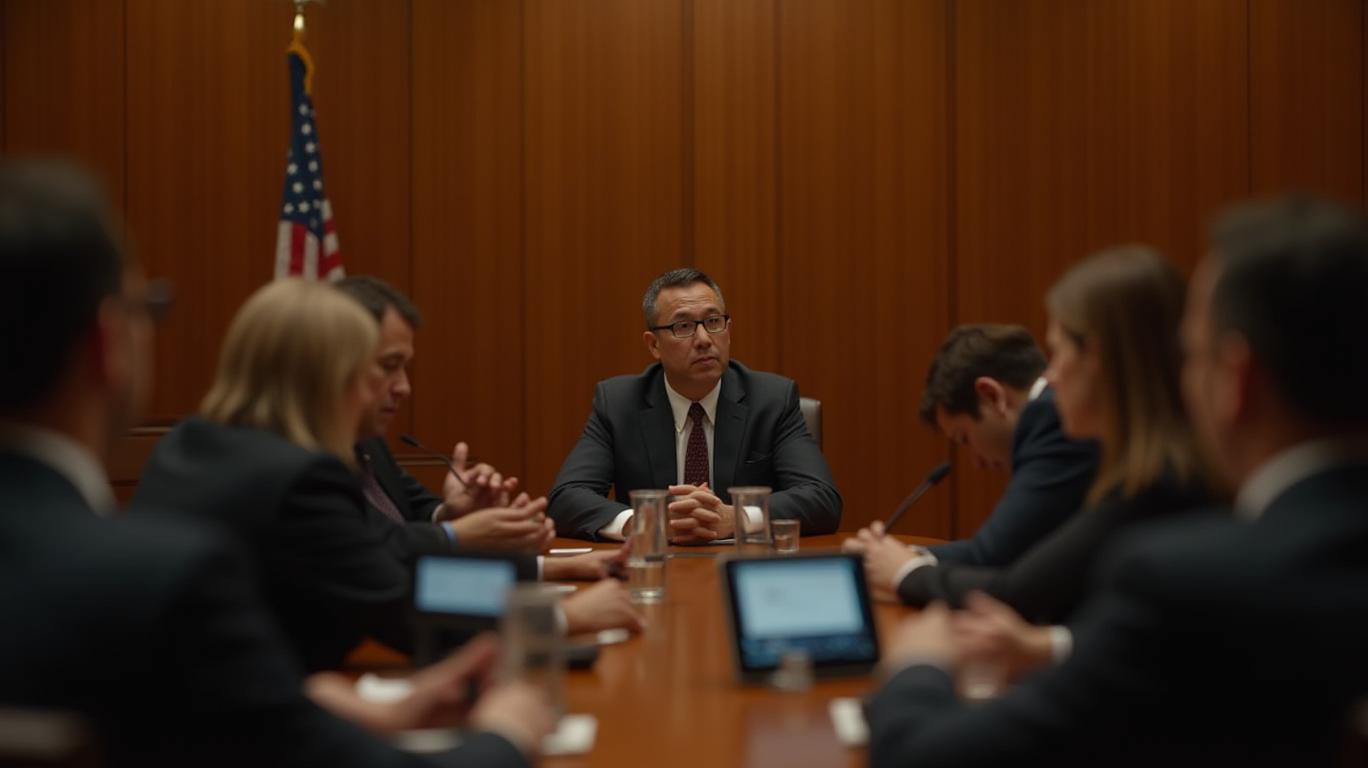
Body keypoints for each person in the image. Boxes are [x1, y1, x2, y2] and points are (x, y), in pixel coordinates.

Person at [0, 159, 551, 767]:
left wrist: (305, 705)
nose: (388, 390)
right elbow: (390, 586)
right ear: (107, 344)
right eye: (374, 370)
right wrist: (508, 731)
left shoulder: (198, 446)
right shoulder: (176, 570)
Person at [866, 196, 1368, 767]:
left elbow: (922, 757)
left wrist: (918, 665)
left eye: (1191, 357)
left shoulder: (1183, 579)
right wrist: (1056, 646)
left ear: (1236, 380)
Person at [849, 246, 1207, 628]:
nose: (1050, 376)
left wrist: (904, 571)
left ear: (1097, 358)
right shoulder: (1158, 470)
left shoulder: (1148, 479)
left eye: (1058, 352)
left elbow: (1012, 586)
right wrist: (1047, 646)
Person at [337, 275, 626, 581]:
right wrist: (459, 535)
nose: (404, 388)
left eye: (403, 367)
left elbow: (417, 520)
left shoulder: (366, 443)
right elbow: (371, 558)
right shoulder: (310, 466)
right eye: (388, 365)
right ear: (333, 362)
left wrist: (456, 513)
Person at [549, 268, 842, 542]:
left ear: (728, 330)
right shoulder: (618, 403)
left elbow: (821, 498)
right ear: (654, 345)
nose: (703, 339)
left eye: (713, 322)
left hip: (740, 563)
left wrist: (738, 517)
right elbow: (566, 498)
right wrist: (647, 523)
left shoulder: (772, 400)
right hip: (657, 566)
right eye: (684, 326)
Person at [878, 324, 1099, 567]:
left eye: (965, 438)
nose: (977, 461)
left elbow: (994, 555)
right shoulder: (1049, 419)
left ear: (992, 396)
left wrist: (903, 566)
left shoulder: (1052, 421)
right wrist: (905, 556)